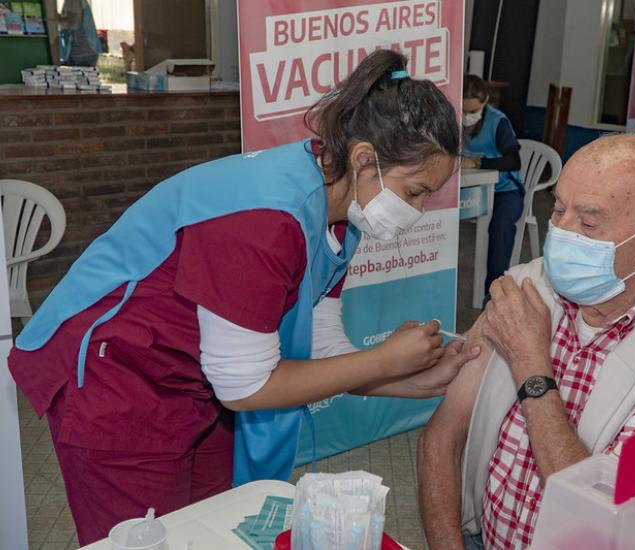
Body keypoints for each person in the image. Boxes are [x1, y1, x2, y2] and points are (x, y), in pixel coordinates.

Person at [9, 49, 479, 545]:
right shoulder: (268, 219)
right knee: (150, 538)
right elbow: (246, 386)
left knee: (216, 526)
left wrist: (413, 379)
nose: (420, 211)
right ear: (365, 159)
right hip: (117, 377)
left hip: (195, 379)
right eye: (414, 192)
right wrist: (385, 361)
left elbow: (320, 349)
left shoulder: (340, 214)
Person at [417, 134, 635, 549]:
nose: (560, 235)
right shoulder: (528, 291)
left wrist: (532, 370)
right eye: (559, 209)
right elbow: (440, 439)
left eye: (588, 222)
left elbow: (610, 521)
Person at [461, 75, 524, 298]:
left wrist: (477, 162)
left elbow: (513, 161)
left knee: (501, 226)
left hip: (504, 191)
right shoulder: (452, 119)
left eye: (473, 111)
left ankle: (493, 292)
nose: (467, 117)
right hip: (469, 189)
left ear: (485, 100)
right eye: (464, 111)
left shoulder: (498, 122)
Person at [59, 0, 102, 67]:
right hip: (76, 50)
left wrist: (55, 18)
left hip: (84, 52)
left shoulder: (75, 1)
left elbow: (74, 22)